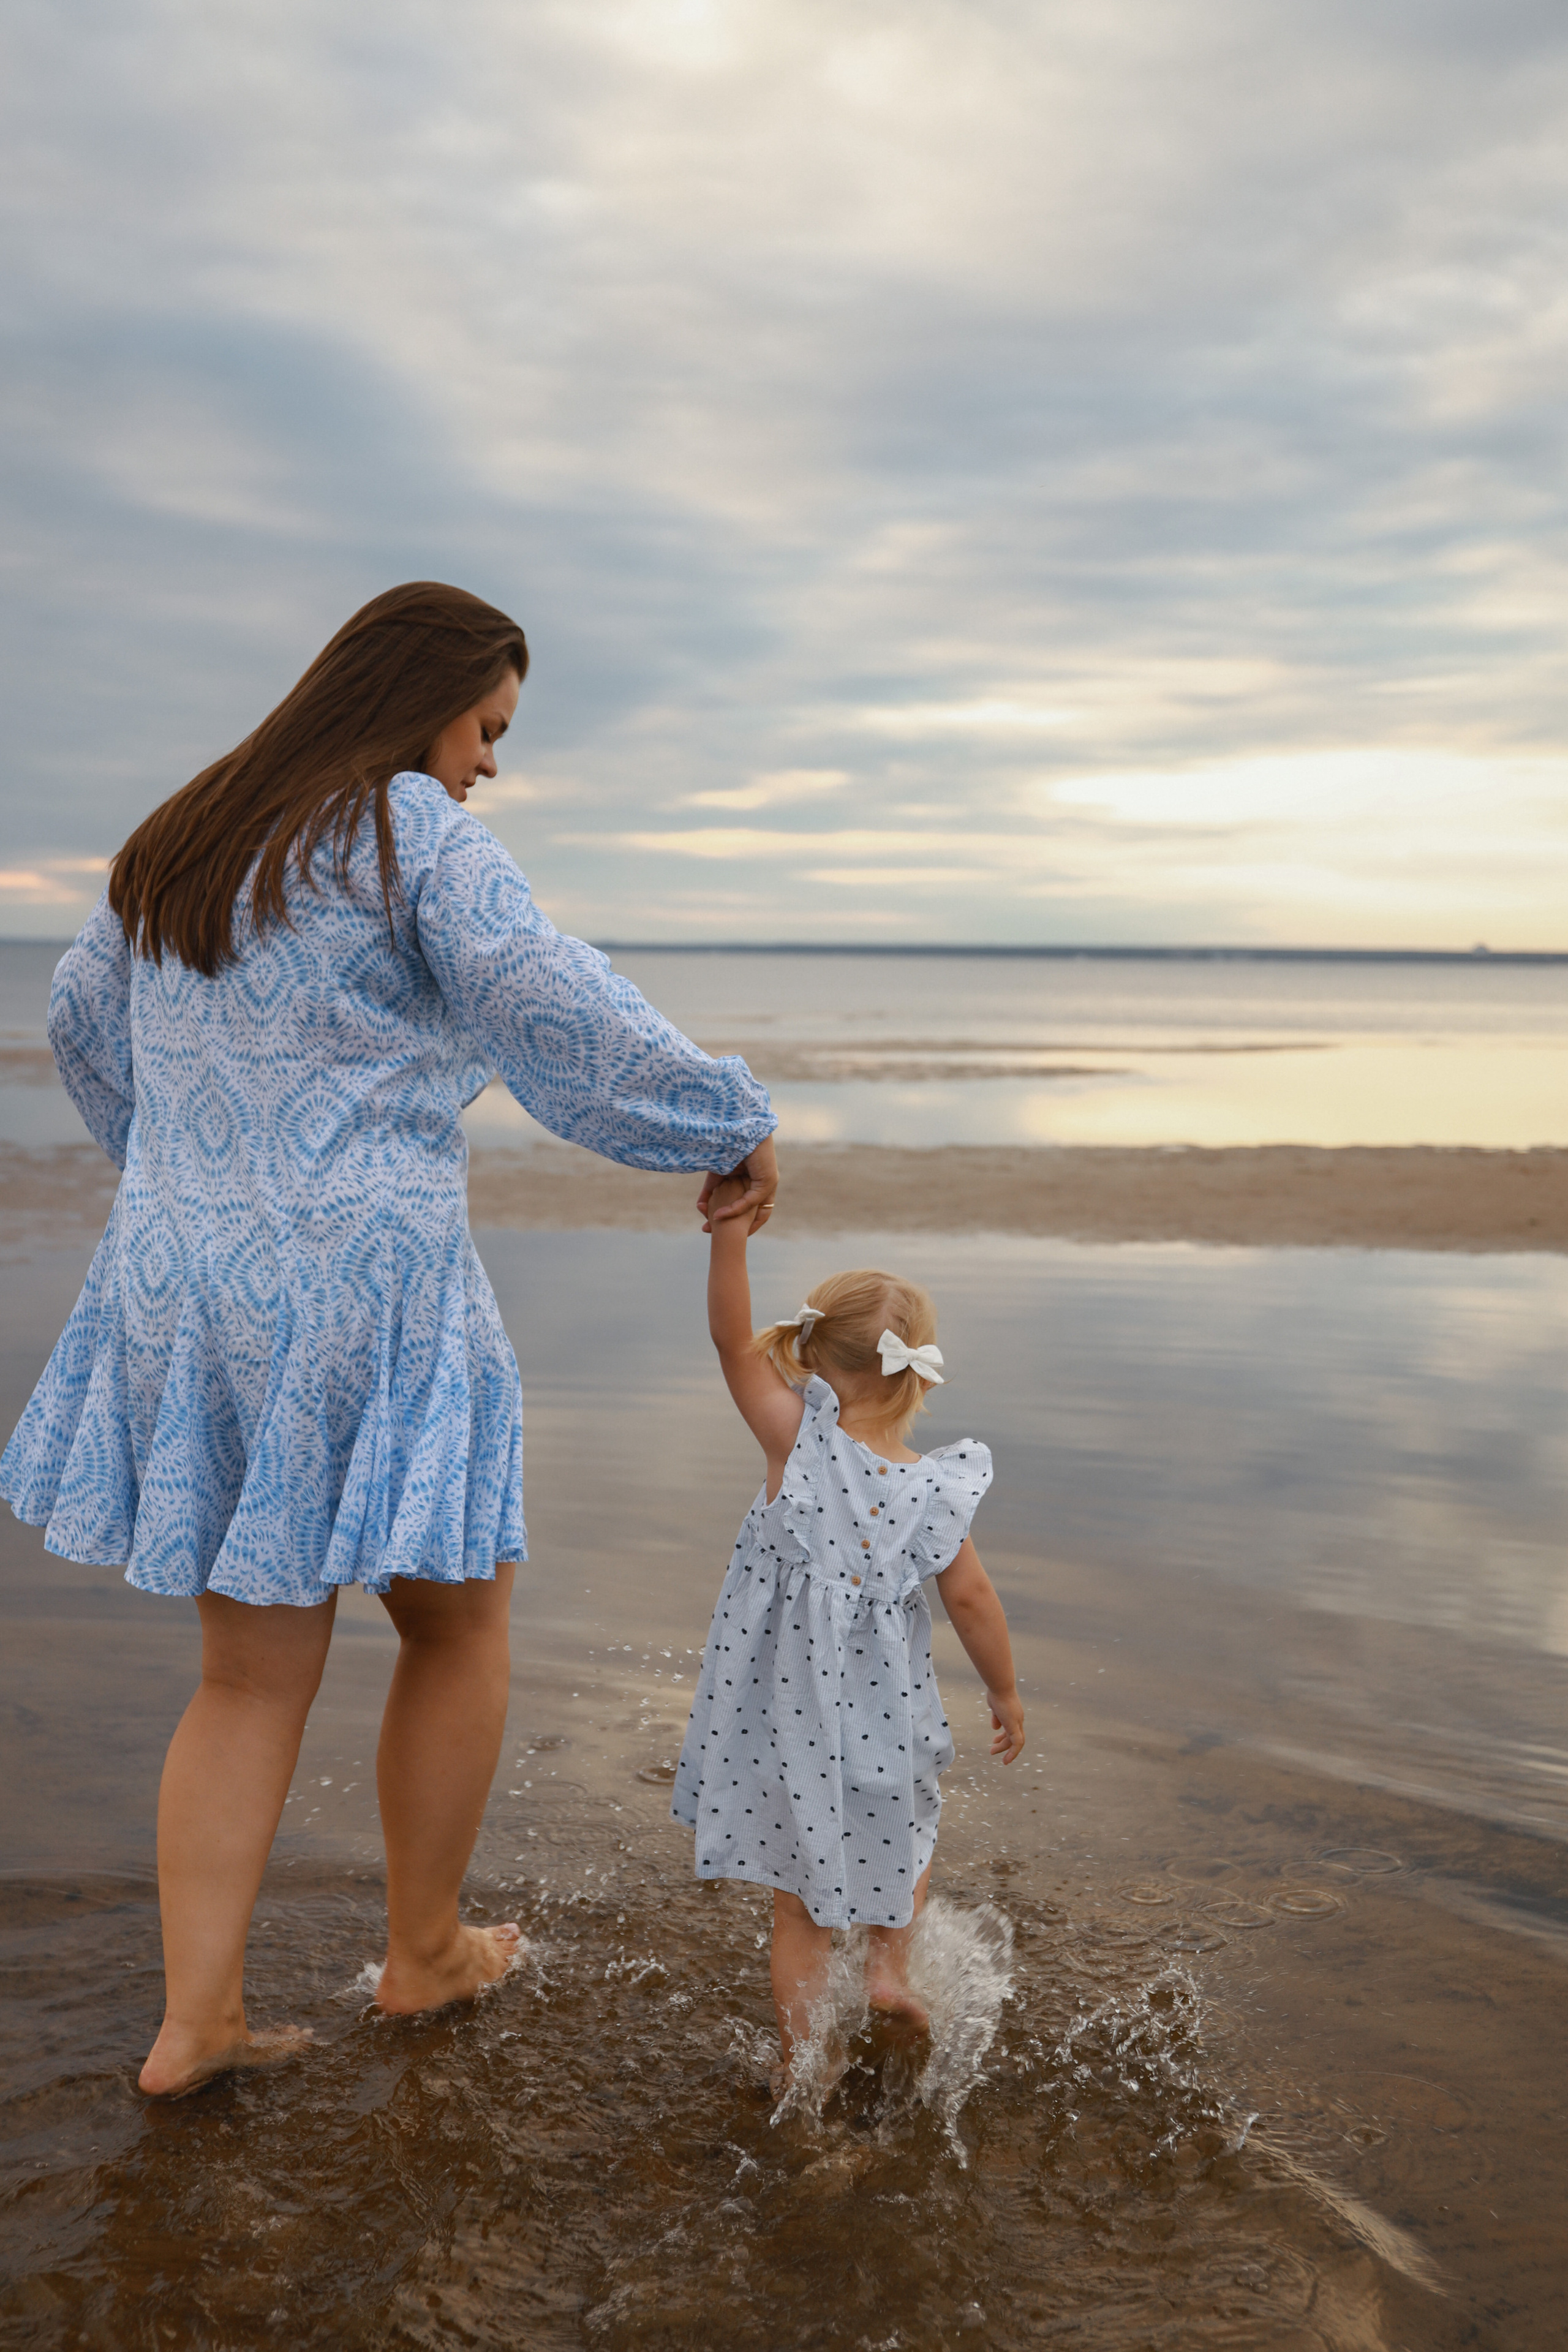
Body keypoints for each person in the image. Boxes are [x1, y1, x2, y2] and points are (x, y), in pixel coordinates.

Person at [0, 581, 778, 2098]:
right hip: (369, 1278)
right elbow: (547, 995)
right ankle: (422, 1955)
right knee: (454, 1622)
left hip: (184, 1280)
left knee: (242, 1677)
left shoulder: (175, 838)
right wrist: (723, 1116)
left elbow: (84, 1021)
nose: (487, 765)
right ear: (418, 696)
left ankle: (194, 2024)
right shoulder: (403, 830)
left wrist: (190, 1184)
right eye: (486, 728)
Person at [671, 1179, 1023, 2088]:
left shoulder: (796, 1440)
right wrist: (1005, 1691)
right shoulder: (935, 1489)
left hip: (788, 1720)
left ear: (811, 1353)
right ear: (915, 1373)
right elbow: (974, 1601)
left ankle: (802, 2066)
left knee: (798, 1909)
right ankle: (886, 1971)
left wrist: (730, 1236)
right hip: (886, 1714)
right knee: (906, 1833)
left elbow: (725, 1339)